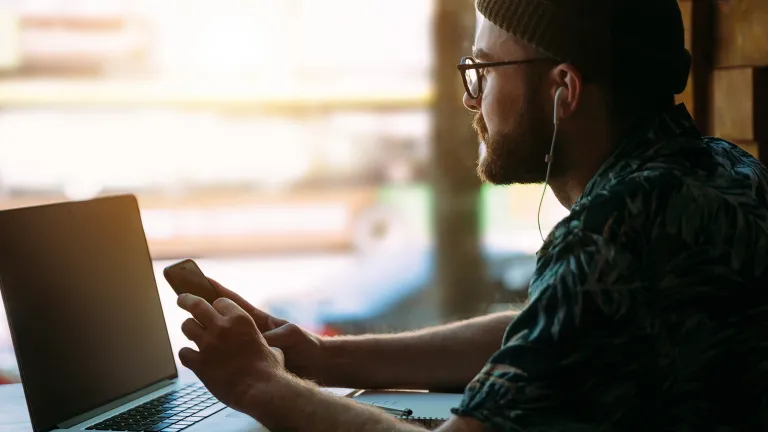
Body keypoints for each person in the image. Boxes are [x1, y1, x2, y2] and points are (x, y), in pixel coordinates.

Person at [174, 0, 768, 430]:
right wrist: (324, 357)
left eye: (484, 69)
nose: (470, 96)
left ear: (565, 89)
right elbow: (543, 329)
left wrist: (258, 385)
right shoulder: (720, 170)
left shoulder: (613, 231)